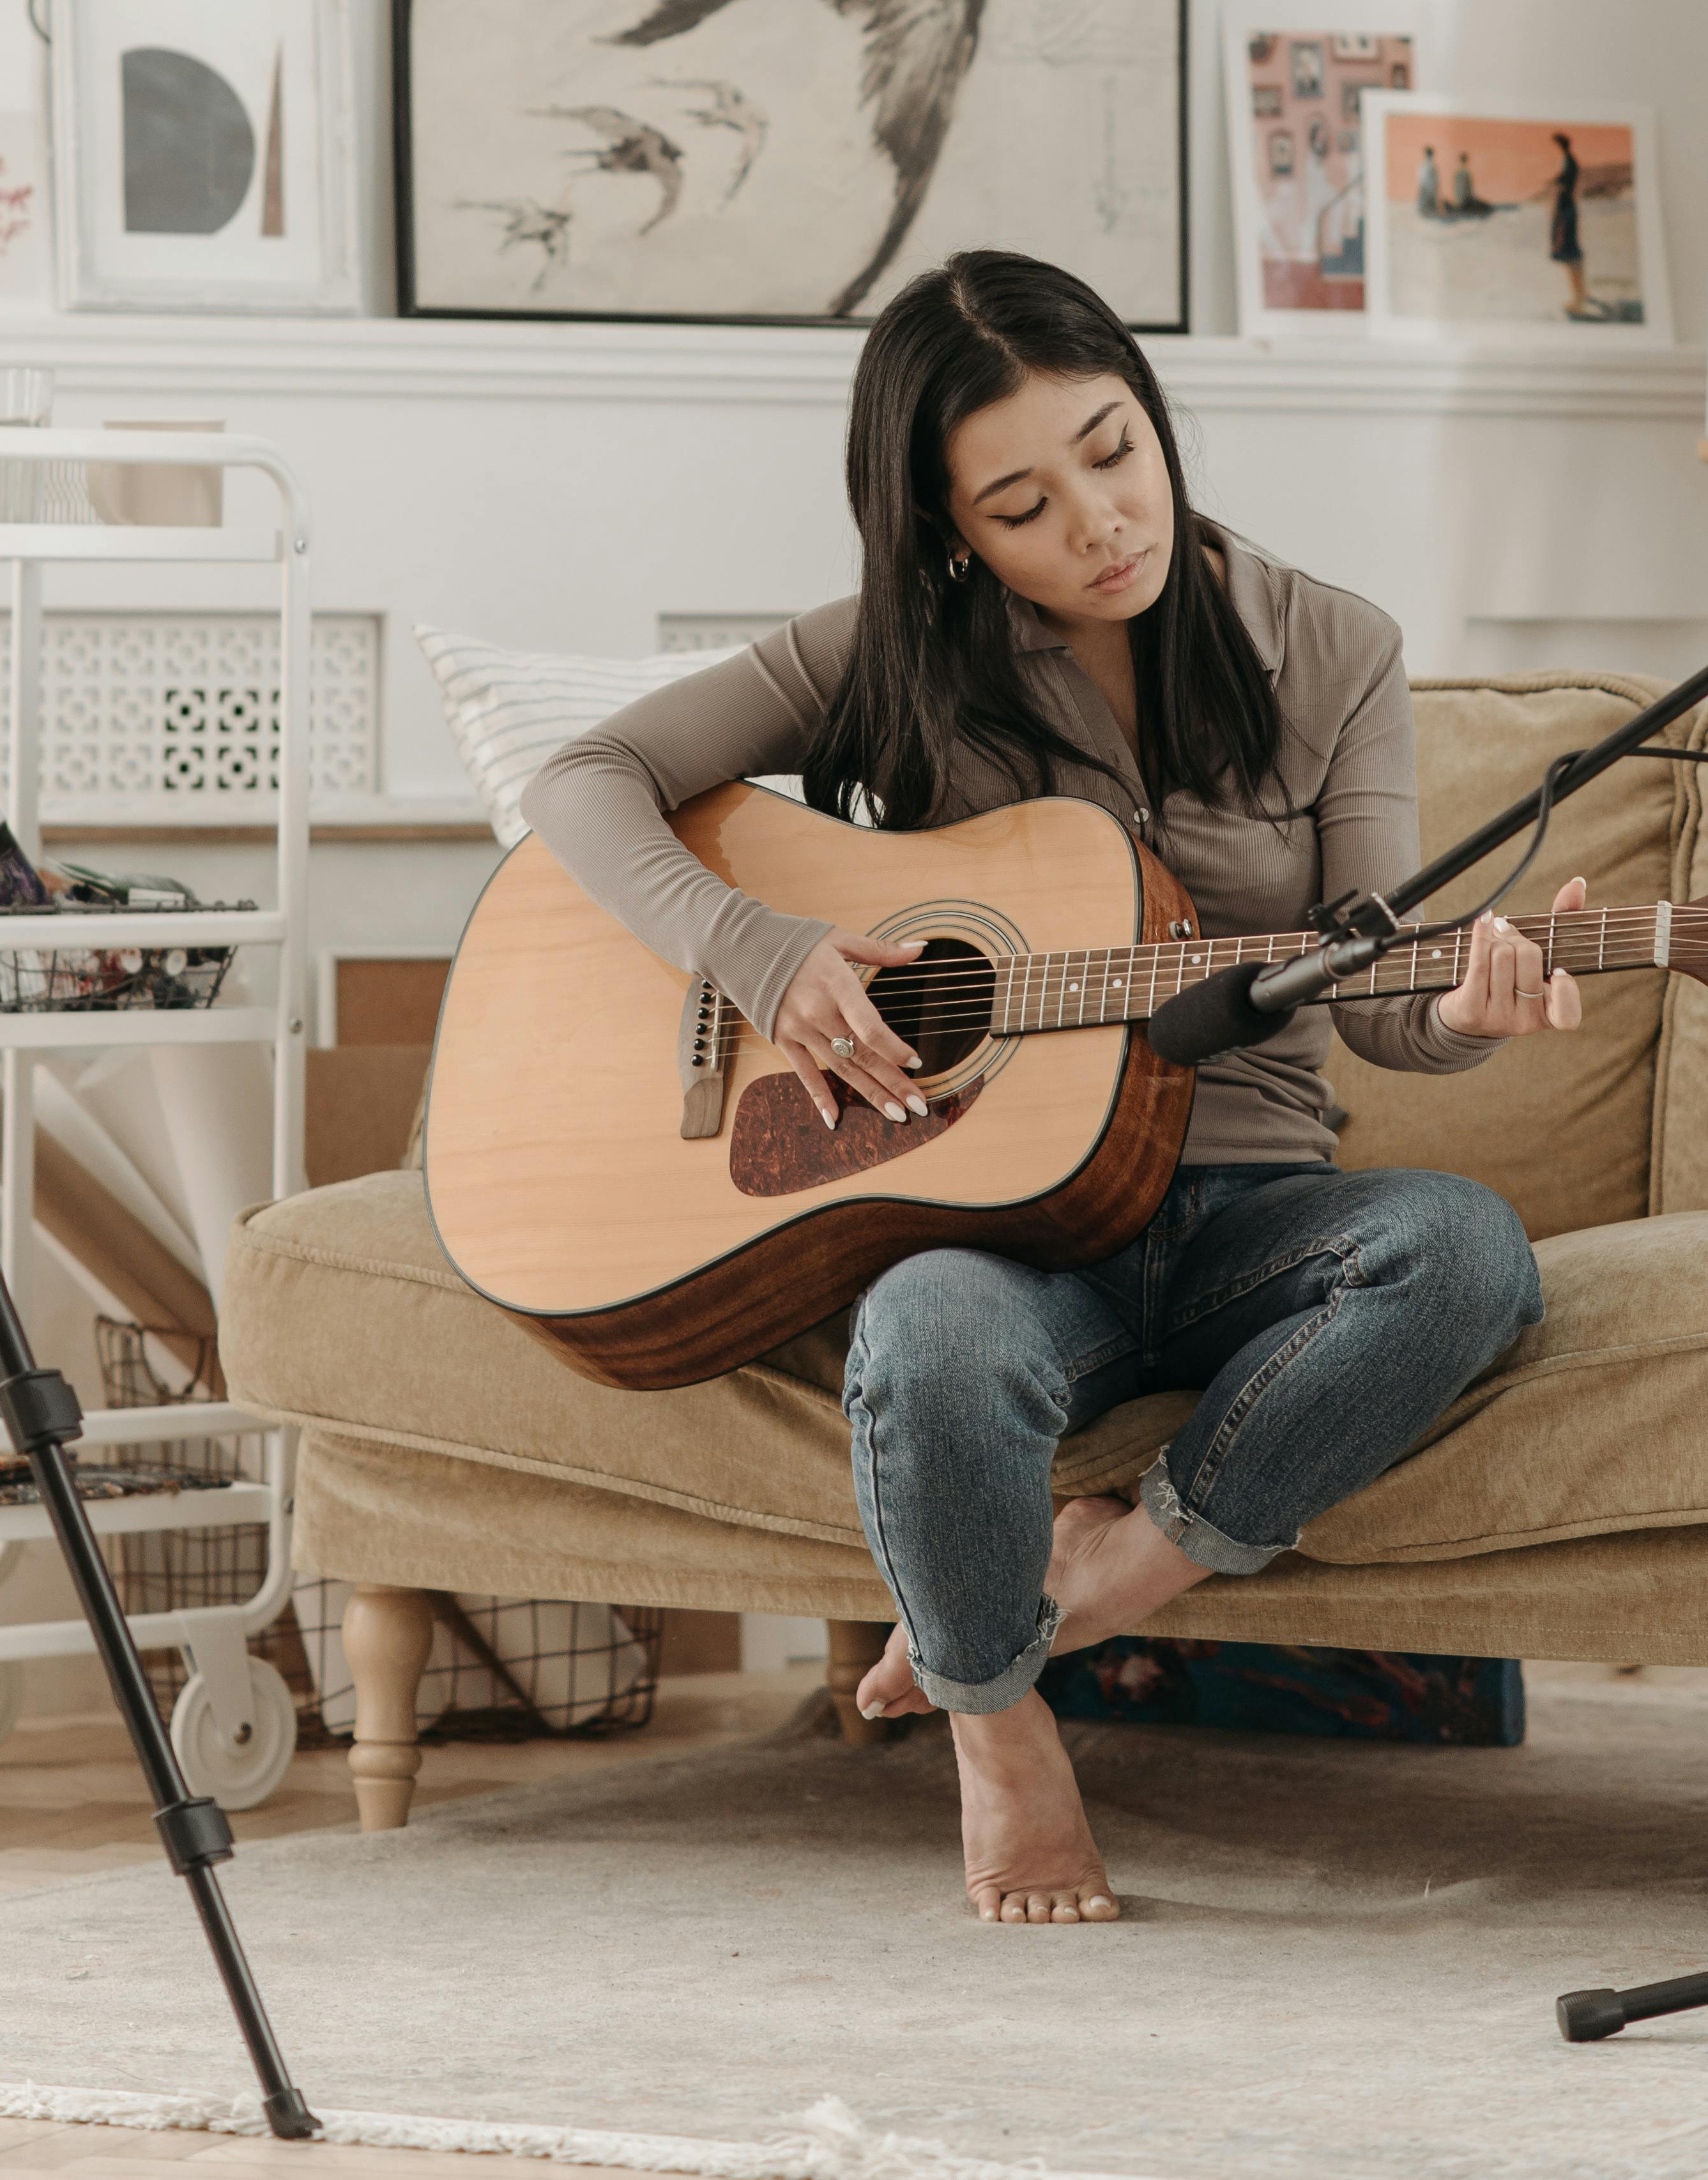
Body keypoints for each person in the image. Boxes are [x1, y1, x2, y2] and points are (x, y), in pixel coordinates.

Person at [523, 250, 1582, 1929]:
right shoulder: (898, 653)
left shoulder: (1332, 648)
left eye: (1114, 450)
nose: (1099, 521)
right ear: (949, 529)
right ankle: (999, 1731)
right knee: (925, 1337)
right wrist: (756, 947)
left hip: (1253, 1213)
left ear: (1153, 414)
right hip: (1004, 1228)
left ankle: (1106, 1577)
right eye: (1022, 504)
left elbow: (1382, 998)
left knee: (1465, 1249)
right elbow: (584, 776)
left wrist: (1461, 1010)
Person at [1548, 131, 1588, 314]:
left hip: (1565, 210)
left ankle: (1578, 300)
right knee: (1572, 253)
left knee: (1569, 253)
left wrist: (1556, 186)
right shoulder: (1570, 161)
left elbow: (1563, 186)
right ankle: (1581, 296)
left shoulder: (1568, 162)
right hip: (1567, 208)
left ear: (1560, 146)